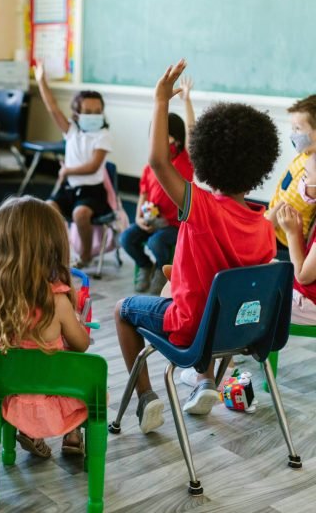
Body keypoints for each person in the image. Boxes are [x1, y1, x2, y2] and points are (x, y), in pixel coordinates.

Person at [111, 59, 280, 435]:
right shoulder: (264, 225)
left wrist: (160, 100)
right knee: (189, 291)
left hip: (192, 330)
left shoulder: (201, 208)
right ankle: (205, 383)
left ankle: (145, 398)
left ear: (203, 158)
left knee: (123, 309)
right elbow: (223, 277)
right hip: (241, 332)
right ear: (261, 165)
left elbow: (158, 160)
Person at [0, 196, 91, 458]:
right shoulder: (57, 301)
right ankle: (72, 434)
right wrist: (77, 321)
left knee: (22, 370)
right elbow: (81, 346)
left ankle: (31, 433)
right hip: (51, 398)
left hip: (2, 397)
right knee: (83, 376)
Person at [121, 76, 195, 295]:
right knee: (127, 238)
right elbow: (143, 195)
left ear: (178, 140)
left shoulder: (185, 161)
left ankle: (162, 272)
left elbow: (193, 130)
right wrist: (138, 218)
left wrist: (187, 101)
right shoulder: (149, 167)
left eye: (166, 136)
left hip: (173, 225)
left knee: (157, 243)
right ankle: (145, 266)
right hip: (151, 221)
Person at [34, 63, 112, 268]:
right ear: (77, 114)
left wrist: (67, 170)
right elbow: (52, 107)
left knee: (80, 214)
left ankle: (86, 255)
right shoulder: (72, 131)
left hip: (92, 192)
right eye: (88, 111)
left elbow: (93, 167)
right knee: (48, 209)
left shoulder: (103, 136)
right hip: (69, 189)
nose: (93, 115)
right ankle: (56, 251)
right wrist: (41, 81)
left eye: (98, 111)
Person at [265, 95, 316, 254]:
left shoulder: (312, 169)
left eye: (298, 129)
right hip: (274, 226)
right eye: (293, 128)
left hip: (282, 241)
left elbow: (285, 208)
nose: (293, 135)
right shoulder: (306, 154)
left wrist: (257, 231)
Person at [277, 152, 316, 325]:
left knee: (250, 297)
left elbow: (303, 276)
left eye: (306, 176)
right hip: (305, 298)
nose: (303, 181)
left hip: (308, 304)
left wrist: (292, 233)